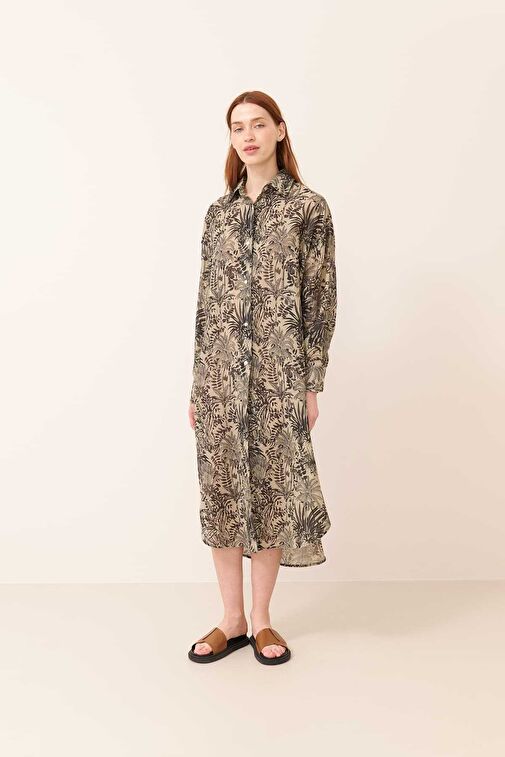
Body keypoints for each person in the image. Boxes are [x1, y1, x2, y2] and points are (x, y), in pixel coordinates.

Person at [187, 90, 337, 665]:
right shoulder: (218, 214)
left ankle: (263, 620)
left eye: (257, 124)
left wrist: (311, 383)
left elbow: (321, 299)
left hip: (280, 379)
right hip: (219, 378)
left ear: (279, 129)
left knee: (272, 493)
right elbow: (207, 304)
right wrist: (198, 384)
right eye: (237, 127)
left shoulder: (308, 208)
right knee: (223, 494)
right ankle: (231, 620)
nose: (247, 136)